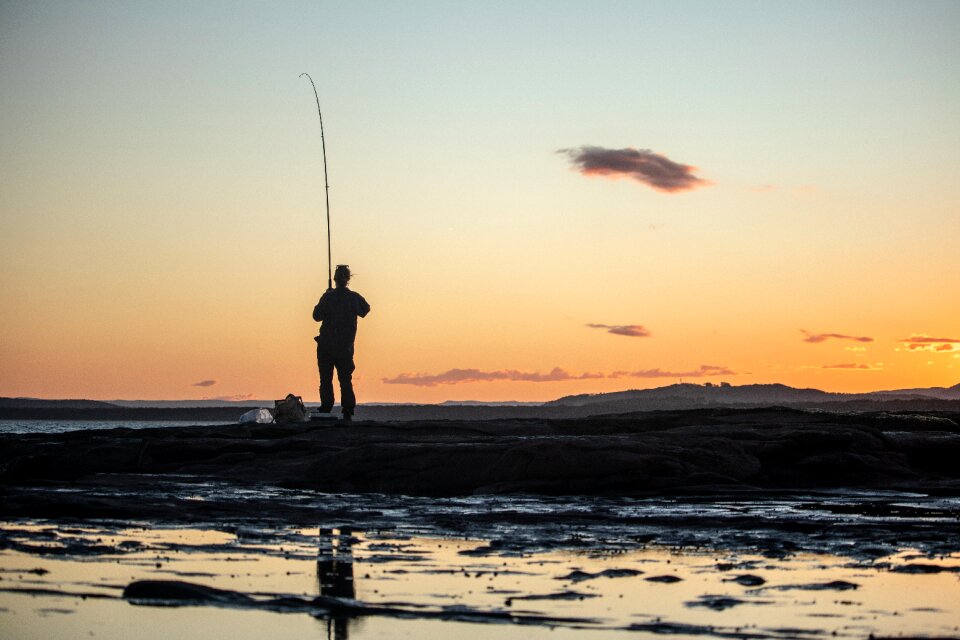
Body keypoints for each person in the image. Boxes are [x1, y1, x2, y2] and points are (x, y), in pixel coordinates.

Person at [313, 265, 370, 421]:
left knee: (326, 379)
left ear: (335, 279)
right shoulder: (354, 298)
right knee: (345, 379)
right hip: (345, 347)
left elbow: (316, 316)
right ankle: (347, 410)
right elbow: (365, 310)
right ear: (348, 279)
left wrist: (326, 295)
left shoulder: (328, 297)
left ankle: (326, 407)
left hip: (326, 346)